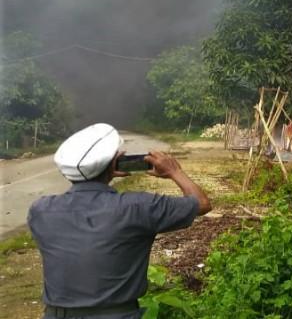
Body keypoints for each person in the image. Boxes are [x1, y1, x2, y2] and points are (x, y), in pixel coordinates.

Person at [28, 123, 212, 319]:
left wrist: (103, 174)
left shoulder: (41, 211)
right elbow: (201, 204)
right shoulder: (138, 207)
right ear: (113, 164)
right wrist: (174, 171)